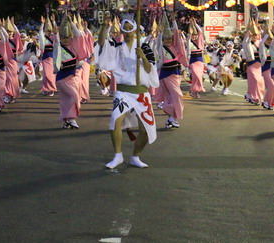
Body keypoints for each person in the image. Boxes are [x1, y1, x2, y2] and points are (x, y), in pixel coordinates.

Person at [98, 12, 159, 169]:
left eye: (130, 29)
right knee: (115, 120)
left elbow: (149, 69)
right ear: (122, 32)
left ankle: (135, 157)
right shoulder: (118, 48)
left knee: (145, 131)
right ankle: (117, 156)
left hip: (141, 92)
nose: (127, 32)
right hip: (123, 92)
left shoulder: (144, 46)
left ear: (135, 30)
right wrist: (105, 26)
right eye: (124, 29)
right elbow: (102, 44)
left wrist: (143, 58)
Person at [52, 14, 89, 129]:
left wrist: (71, 23)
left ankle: (66, 120)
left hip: (72, 77)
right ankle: (72, 119)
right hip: (62, 78)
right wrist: (55, 31)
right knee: (74, 96)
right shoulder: (58, 46)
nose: (66, 39)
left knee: (66, 99)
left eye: (68, 37)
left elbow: (78, 35)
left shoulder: (73, 45)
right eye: (64, 37)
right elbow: (57, 41)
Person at [156, 13, 187, 128]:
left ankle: (171, 118)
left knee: (170, 97)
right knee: (177, 95)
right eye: (166, 39)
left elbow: (177, 38)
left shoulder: (174, 46)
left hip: (176, 73)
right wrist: (159, 33)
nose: (168, 40)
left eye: (170, 38)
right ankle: (172, 116)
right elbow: (158, 42)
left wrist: (174, 22)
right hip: (166, 74)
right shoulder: (160, 47)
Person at [38, 15, 57, 96]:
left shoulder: (53, 38)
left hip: (52, 58)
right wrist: (42, 24)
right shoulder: (44, 38)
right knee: (45, 75)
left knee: (51, 74)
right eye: (46, 31)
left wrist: (53, 22)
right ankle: (45, 88)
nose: (48, 32)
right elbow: (40, 33)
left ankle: (52, 89)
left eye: (49, 31)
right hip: (45, 57)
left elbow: (57, 32)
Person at [187, 17, 205, 98]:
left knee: (199, 77)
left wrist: (195, 24)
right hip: (193, 62)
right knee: (196, 76)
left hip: (200, 62)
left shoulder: (200, 42)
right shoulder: (189, 43)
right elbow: (188, 40)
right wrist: (190, 34)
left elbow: (200, 31)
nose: (194, 36)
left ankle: (195, 91)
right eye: (193, 35)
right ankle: (194, 90)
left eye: (195, 35)